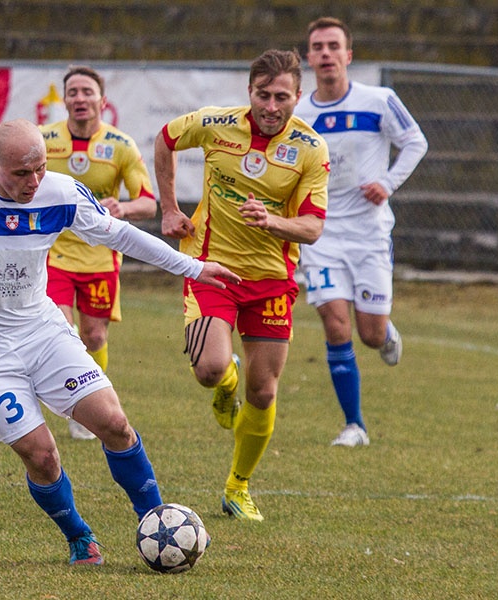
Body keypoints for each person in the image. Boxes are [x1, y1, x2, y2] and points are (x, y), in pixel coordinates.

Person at [0, 119, 239, 563]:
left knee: (115, 424)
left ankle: (157, 521)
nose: (34, 181)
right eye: (21, 173)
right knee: (42, 456)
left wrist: (192, 267)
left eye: (39, 168)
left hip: (40, 332)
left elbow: (117, 234)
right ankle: (79, 535)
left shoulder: (60, 192)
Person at [154, 49, 330, 521]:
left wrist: (272, 221)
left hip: (271, 281)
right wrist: (170, 209)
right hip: (210, 267)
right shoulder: (215, 123)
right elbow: (166, 138)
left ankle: (238, 486)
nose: (271, 106)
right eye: (263, 95)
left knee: (265, 392)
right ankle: (223, 381)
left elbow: (312, 228)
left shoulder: (311, 149)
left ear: (297, 96)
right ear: (248, 92)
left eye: (282, 97)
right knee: (210, 369)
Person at [294, 17, 428, 447]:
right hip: (320, 233)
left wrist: (387, 183)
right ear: (309, 57)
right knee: (336, 326)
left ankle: (385, 333)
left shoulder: (378, 100)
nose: (327, 53)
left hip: (369, 234)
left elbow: (415, 141)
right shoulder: (299, 114)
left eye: (334, 45)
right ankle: (354, 425)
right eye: (318, 47)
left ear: (348, 55)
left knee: (370, 334)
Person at [41, 65, 158, 441]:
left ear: (101, 101)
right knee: (63, 330)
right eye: (72, 92)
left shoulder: (120, 146)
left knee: (94, 337)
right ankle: (69, 401)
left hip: (100, 257)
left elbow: (148, 203)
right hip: (52, 254)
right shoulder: (43, 140)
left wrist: (122, 209)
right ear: (65, 100)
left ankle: (89, 409)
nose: (79, 98)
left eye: (86, 92)